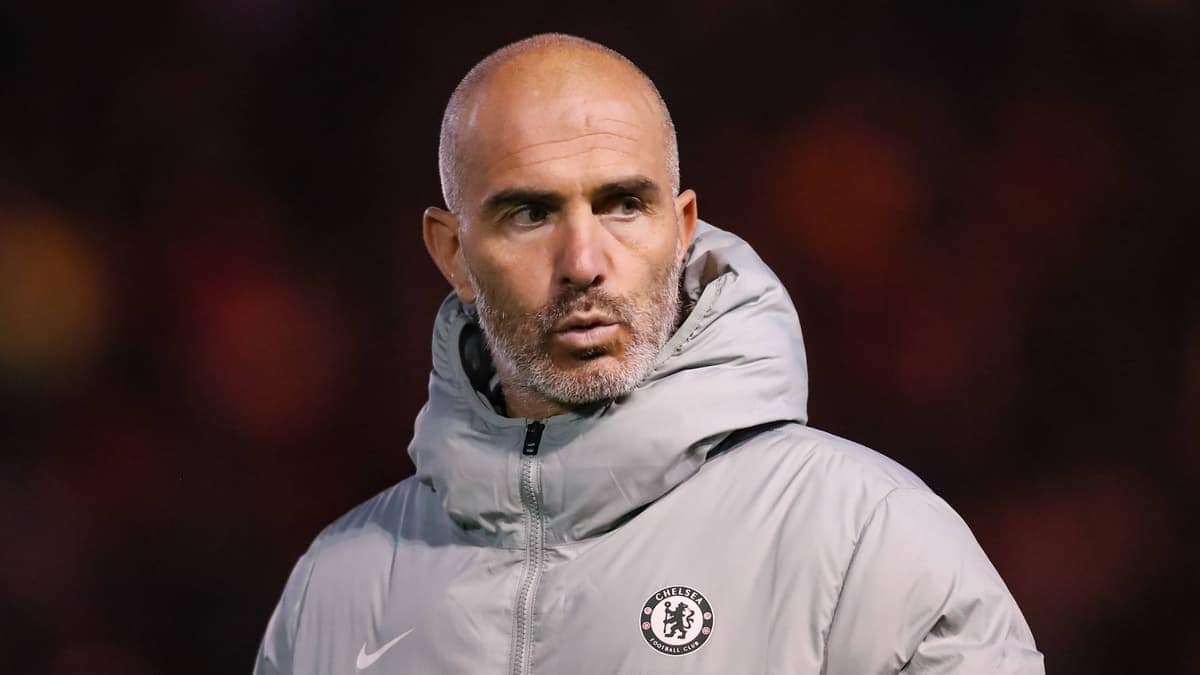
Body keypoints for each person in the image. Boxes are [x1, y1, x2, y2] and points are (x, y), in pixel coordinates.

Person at [254, 33, 1044, 674]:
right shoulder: (334, 591)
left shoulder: (867, 537)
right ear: (453, 253)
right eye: (530, 213)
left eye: (624, 204)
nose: (583, 261)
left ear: (683, 228)